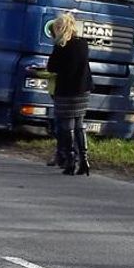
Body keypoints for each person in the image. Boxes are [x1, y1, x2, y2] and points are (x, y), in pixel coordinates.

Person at [46, 11, 93, 175]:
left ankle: (71, 161)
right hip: (83, 90)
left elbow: (51, 67)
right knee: (80, 125)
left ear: (60, 28)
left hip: (66, 91)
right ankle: (85, 160)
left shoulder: (61, 46)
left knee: (67, 127)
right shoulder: (83, 44)